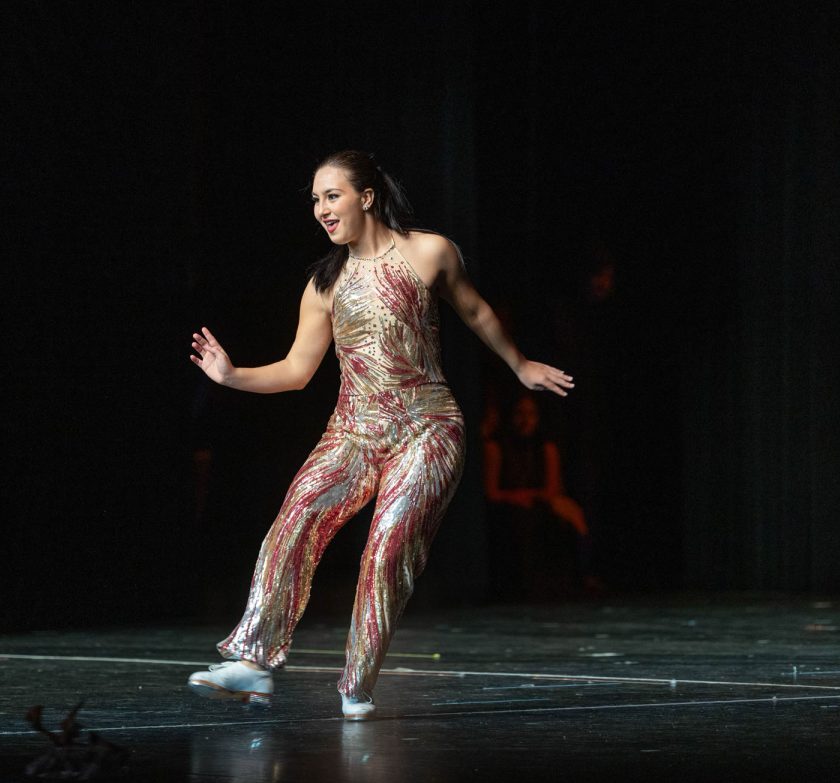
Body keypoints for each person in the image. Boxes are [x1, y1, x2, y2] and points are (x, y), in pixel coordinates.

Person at [186, 150, 574, 720]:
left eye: (332, 195)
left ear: (366, 196)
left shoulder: (428, 251)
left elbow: (476, 311)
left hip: (428, 428)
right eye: (315, 199)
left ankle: (357, 684)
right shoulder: (325, 283)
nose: (321, 209)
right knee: (293, 521)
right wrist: (231, 375)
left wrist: (519, 366)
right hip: (353, 432)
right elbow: (296, 371)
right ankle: (254, 661)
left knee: (387, 549)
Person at [483, 392, 589, 600]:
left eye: (531, 414)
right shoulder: (495, 449)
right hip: (510, 508)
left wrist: (530, 497)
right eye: (519, 414)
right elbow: (492, 493)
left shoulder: (546, 449)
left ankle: (575, 579)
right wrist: (519, 498)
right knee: (521, 521)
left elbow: (550, 489)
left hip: (539, 504)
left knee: (563, 520)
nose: (525, 420)